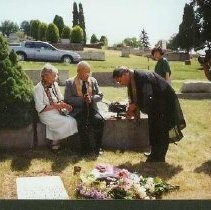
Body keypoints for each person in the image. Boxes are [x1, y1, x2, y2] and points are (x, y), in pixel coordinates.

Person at [112, 66, 186, 162]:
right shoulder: (133, 78)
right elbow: (135, 97)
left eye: (120, 80)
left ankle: (159, 157)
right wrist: (131, 107)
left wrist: (136, 105)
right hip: (155, 105)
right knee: (153, 127)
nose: (120, 84)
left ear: (125, 74)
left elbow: (148, 96)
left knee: (161, 129)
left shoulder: (142, 77)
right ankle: (154, 153)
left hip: (164, 102)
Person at [33, 63, 78, 151]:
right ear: (45, 77)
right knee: (70, 121)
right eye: (53, 76)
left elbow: (60, 98)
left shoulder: (54, 84)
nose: (56, 77)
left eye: (55, 75)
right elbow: (40, 108)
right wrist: (56, 106)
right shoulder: (38, 88)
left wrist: (65, 105)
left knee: (73, 117)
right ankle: (69, 144)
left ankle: (55, 144)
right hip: (46, 113)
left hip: (57, 110)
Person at [64, 61, 104, 155]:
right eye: (85, 72)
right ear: (78, 72)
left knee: (99, 121)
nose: (87, 75)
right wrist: (82, 100)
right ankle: (86, 149)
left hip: (92, 108)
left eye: (88, 72)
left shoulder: (93, 80)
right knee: (81, 123)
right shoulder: (70, 82)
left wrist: (92, 98)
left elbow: (100, 95)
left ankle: (98, 147)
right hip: (78, 110)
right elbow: (67, 99)